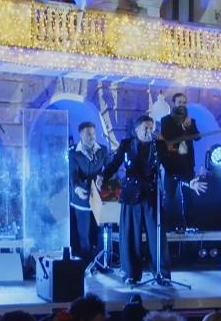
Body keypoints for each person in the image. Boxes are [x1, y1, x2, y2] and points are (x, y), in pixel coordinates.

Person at [102, 115, 204, 285]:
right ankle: (131, 274)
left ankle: (161, 274)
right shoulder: (126, 144)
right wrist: (102, 176)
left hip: (151, 195)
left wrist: (188, 181)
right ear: (137, 130)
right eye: (146, 128)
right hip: (131, 195)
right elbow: (114, 164)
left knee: (157, 235)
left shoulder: (159, 146)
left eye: (152, 128)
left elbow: (172, 169)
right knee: (130, 235)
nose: (150, 131)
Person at [158, 93, 207, 231]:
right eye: (179, 102)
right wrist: (182, 128)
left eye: (184, 102)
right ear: (174, 103)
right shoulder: (166, 120)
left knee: (188, 196)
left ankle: (189, 225)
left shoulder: (190, 121)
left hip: (187, 165)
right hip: (172, 165)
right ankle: (167, 225)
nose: (182, 104)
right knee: (169, 196)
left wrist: (188, 127)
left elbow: (197, 137)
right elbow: (168, 138)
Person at [69, 121, 109, 265]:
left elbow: (109, 168)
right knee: (83, 232)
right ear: (81, 135)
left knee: (99, 230)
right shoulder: (73, 152)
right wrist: (76, 188)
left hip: (98, 195)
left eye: (93, 134)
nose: (92, 137)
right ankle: (85, 263)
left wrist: (102, 177)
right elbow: (72, 174)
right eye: (88, 134)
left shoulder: (102, 150)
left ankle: (99, 261)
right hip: (82, 195)